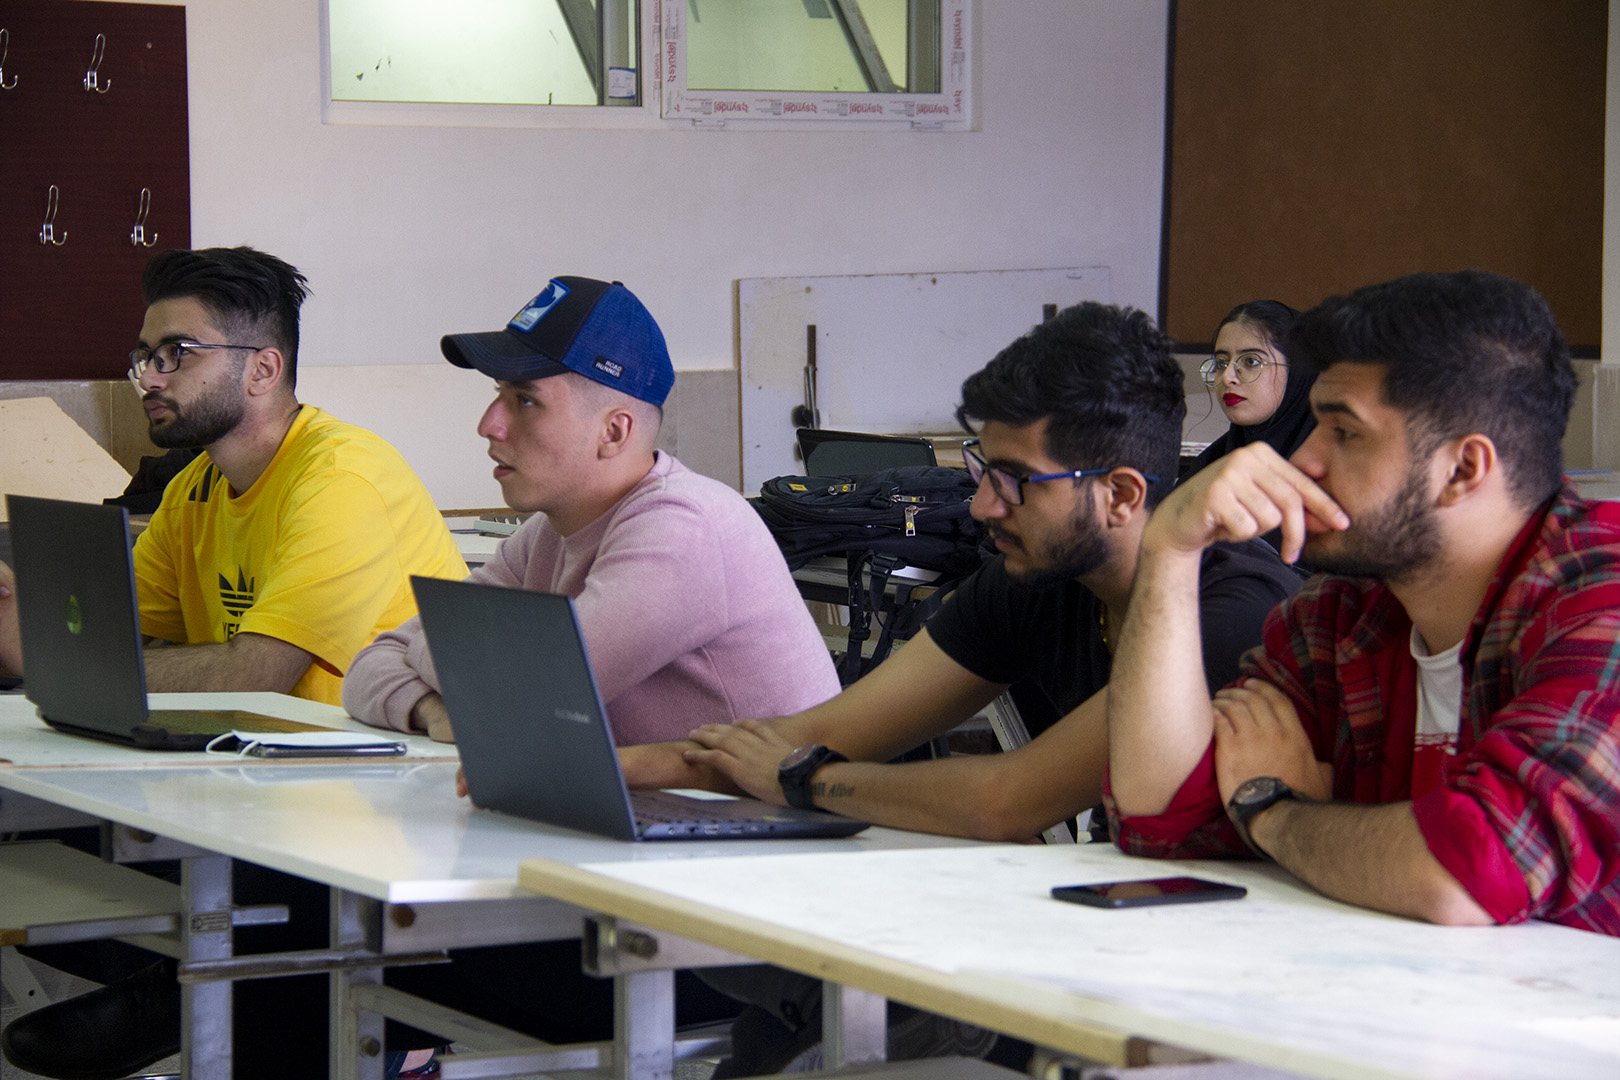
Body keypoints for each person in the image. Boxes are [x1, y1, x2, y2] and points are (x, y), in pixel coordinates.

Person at [619, 301, 1302, 1076]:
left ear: (1119, 494)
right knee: (777, 1033)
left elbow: (1005, 801)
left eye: (1015, 482)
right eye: (982, 469)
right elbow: (815, 733)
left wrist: (808, 780)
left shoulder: (1233, 615)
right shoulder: (1038, 576)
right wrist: (601, 771)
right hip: (1117, 941)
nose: (982, 506)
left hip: (1242, 1003)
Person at [340, 275, 841, 1076]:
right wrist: (442, 710)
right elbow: (369, 667)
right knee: (323, 929)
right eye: (496, 396)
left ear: (614, 430)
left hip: (741, 940)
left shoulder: (686, 527)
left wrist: (462, 667)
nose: (489, 424)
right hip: (630, 884)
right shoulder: (550, 533)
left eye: (524, 401)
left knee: (325, 939)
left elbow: (523, 692)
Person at [0, 246, 469, 1080]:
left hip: (383, 806)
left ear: (263, 368)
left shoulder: (340, 478)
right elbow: (110, 637)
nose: (149, 377)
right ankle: (183, 985)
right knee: (43, 821)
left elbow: (256, 672)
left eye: (175, 354)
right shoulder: (196, 487)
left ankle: (235, 1001)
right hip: (260, 781)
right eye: (144, 355)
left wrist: (49, 662)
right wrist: (24, 620)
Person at [1104, 270, 1620, 935]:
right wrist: (1169, 552)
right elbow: (1159, 818)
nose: (1303, 460)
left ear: (1463, 469)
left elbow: (1465, 873)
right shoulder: (1344, 612)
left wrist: (1271, 810)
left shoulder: (1601, 602)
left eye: (1344, 433)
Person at [1186, 300, 1313, 474]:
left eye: (1251, 361)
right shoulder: (1207, 468)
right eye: (1221, 363)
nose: (1227, 378)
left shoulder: (1328, 471)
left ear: (1297, 371)